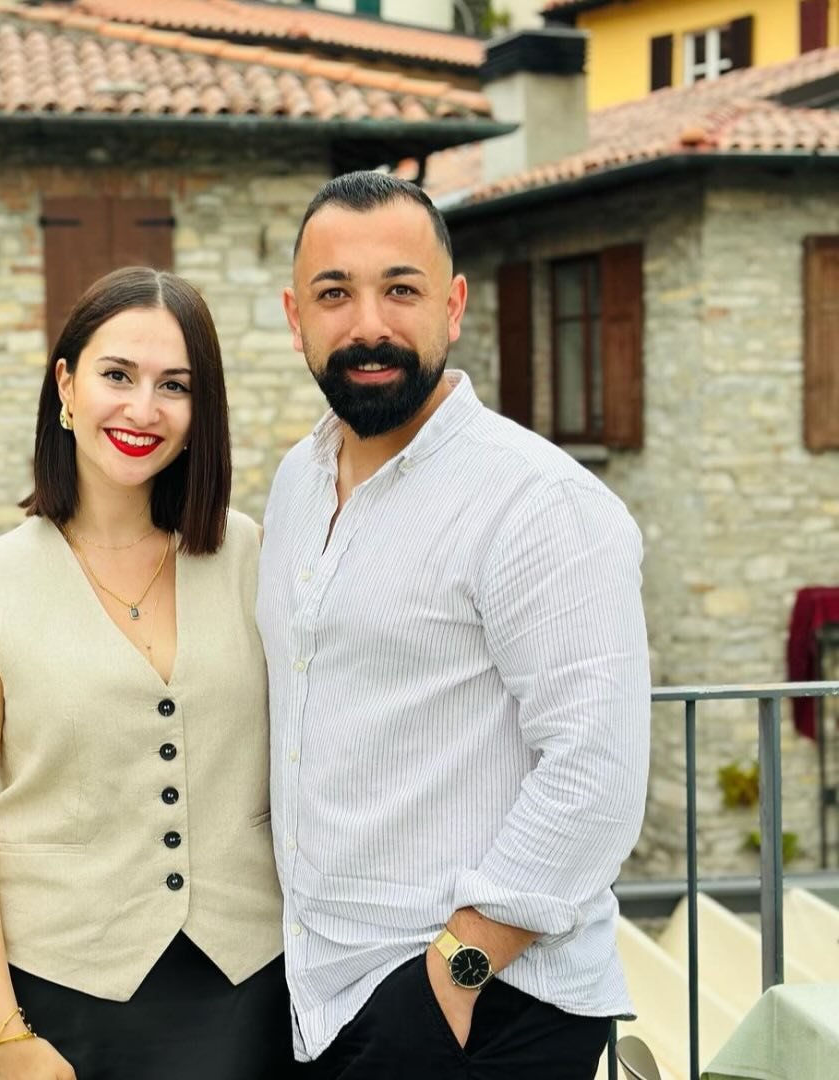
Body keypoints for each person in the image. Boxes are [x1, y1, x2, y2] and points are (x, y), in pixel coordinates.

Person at [256, 172, 651, 1079]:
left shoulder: (539, 502)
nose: (369, 325)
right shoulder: (295, 482)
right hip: (322, 994)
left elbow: (595, 775)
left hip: (482, 1004)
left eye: (401, 289)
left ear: (454, 305)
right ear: (294, 316)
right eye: (334, 294)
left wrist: (453, 975)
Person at [0, 267, 292, 1080]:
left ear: (201, 412)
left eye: (175, 386)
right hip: (52, 999)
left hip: (249, 994)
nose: (143, 408)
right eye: (117, 375)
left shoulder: (254, 557)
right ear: (66, 386)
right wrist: (4, 1035)